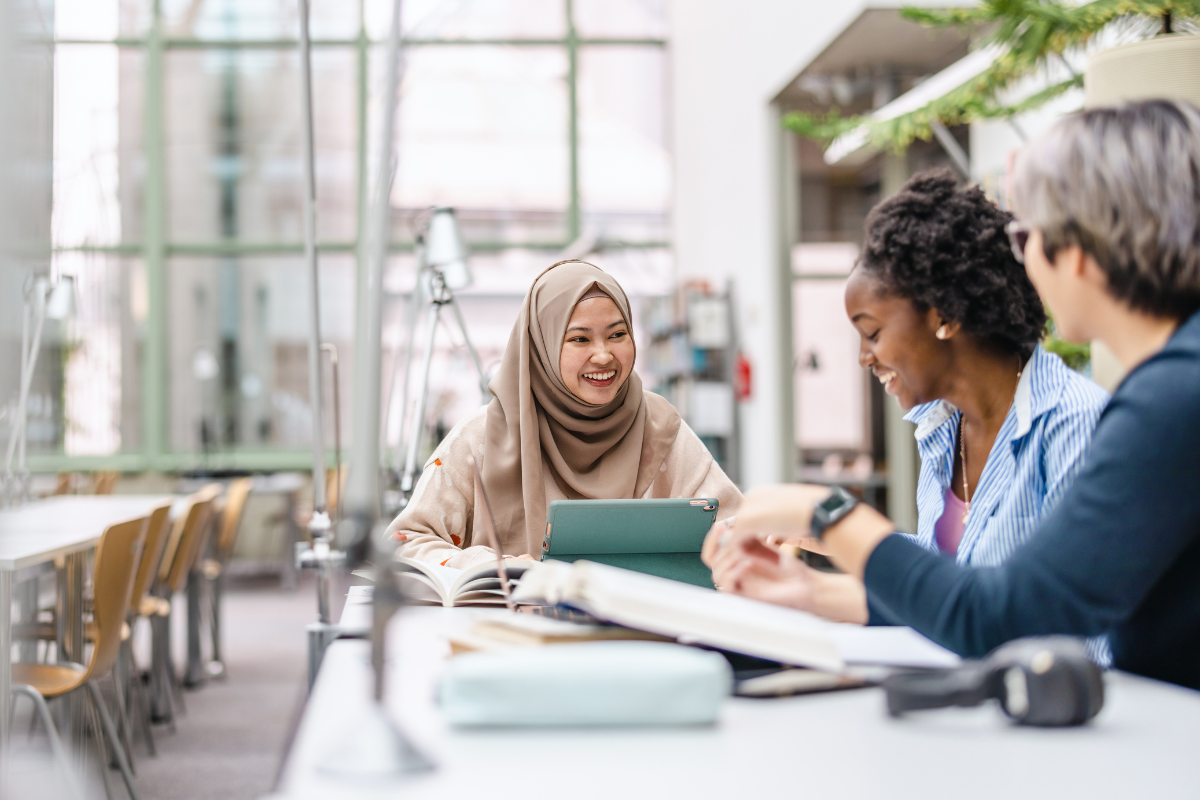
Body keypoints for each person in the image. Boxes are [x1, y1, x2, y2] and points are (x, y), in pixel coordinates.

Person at [704, 99, 1200, 691]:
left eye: (1029, 235)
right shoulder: (1171, 384)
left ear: (1083, 243)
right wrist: (818, 588)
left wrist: (829, 513)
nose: (1025, 260)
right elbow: (975, 588)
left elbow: (1007, 613)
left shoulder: (1168, 400)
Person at [714, 169, 1108, 631]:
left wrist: (830, 516)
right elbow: (952, 573)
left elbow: (1077, 621)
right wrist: (833, 545)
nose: (864, 358)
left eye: (873, 333)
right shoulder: (942, 429)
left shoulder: (1074, 423)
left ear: (945, 316)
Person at [388, 259, 742, 569]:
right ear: (541, 346)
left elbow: (736, 528)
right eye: (579, 339)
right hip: (509, 621)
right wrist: (493, 567)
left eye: (617, 334)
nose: (603, 356)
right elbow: (405, 543)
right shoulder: (482, 436)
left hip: (635, 622)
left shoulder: (659, 427)